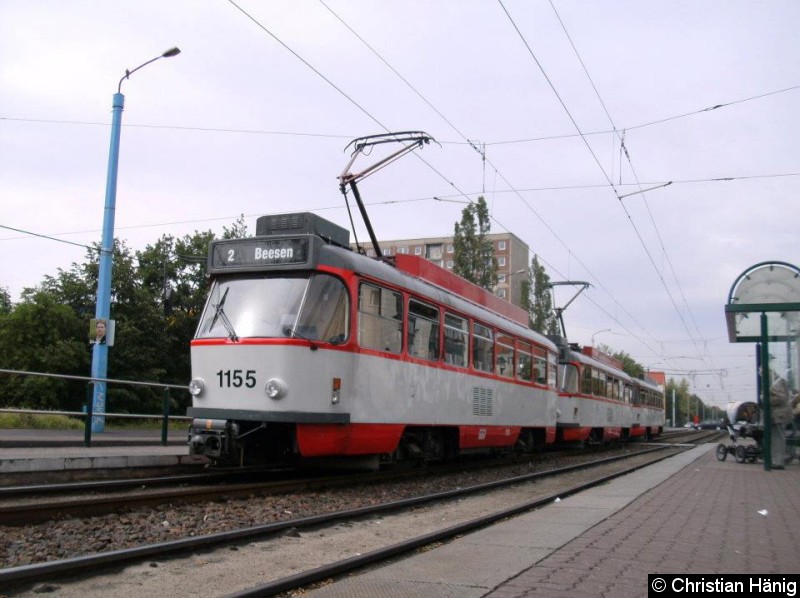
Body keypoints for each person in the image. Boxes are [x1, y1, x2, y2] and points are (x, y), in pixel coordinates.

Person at [769, 375, 792, 469]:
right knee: (777, 438)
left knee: (778, 439)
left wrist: (766, 399)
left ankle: (778, 462)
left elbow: (780, 398)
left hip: (779, 415)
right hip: (779, 415)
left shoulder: (776, 383)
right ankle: (778, 460)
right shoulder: (780, 382)